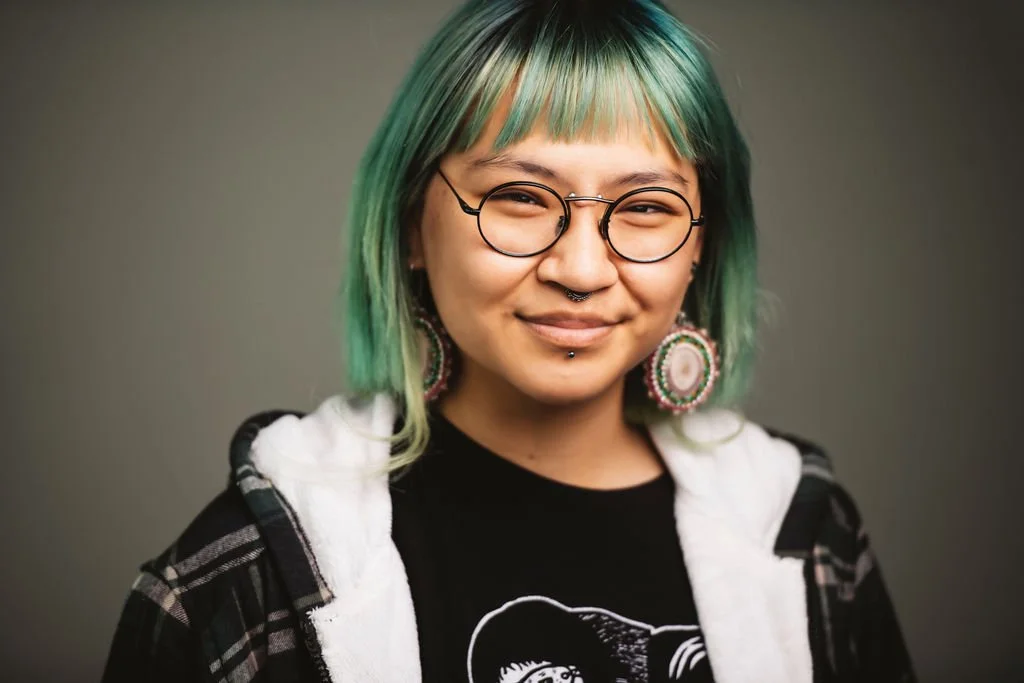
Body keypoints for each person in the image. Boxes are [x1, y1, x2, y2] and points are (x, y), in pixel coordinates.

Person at [101, 1, 916, 681]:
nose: (583, 268)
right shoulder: (244, 575)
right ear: (413, 222)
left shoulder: (808, 540)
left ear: (703, 244)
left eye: (645, 208)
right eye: (522, 197)